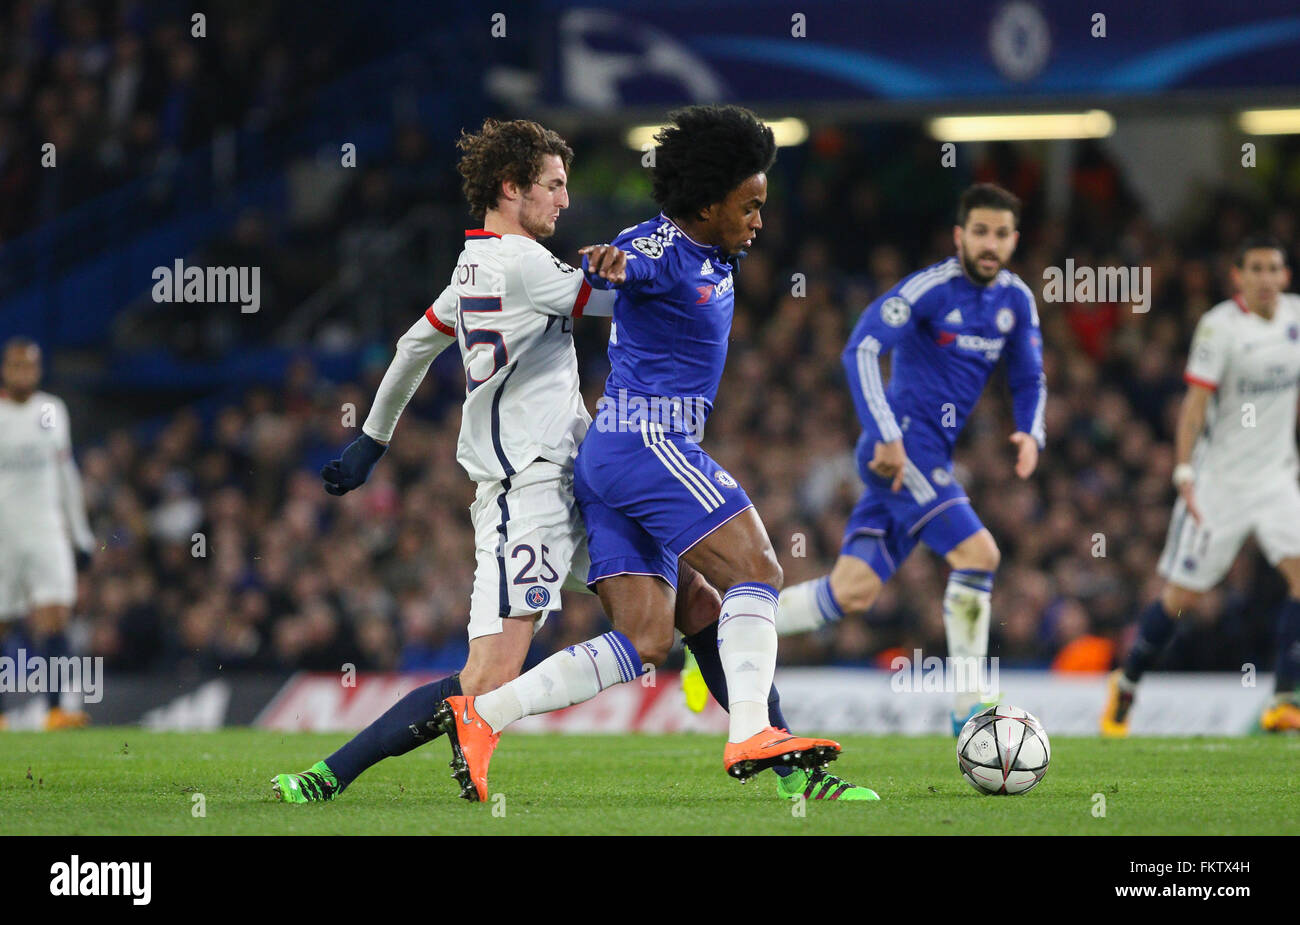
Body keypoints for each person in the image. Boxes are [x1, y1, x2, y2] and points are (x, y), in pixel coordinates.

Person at [440, 105, 877, 804]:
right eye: (749, 206)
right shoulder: (660, 250)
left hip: (613, 460)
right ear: (707, 205)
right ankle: (755, 734)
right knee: (758, 568)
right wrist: (602, 264)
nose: (759, 221)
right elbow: (621, 265)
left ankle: (485, 713)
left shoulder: (712, 252)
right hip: (648, 443)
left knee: (648, 636)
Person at [775, 183, 1046, 735]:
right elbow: (862, 349)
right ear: (959, 236)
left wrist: (1030, 432)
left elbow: (1028, 375)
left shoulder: (1016, 300)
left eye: (1000, 233)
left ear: (1014, 240)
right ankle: (969, 705)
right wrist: (885, 432)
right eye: (980, 232)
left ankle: (722, 630)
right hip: (898, 451)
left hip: (928, 454)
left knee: (851, 591)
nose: (990, 243)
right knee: (979, 553)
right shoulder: (929, 288)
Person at [1102, 235, 1300, 735]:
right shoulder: (1219, 327)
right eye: (1254, 268)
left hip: (1277, 478)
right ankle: (1126, 684)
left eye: (1273, 268)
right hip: (1221, 483)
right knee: (1180, 597)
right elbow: (1194, 405)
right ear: (1238, 276)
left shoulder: (1296, 318)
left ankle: (1285, 699)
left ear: (1285, 276)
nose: (1265, 278)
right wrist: (1184, 469)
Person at [0, 338, 96, 729]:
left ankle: (55, 710)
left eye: (30, 367)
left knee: (55, 616)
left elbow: (66, 473)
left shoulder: (52, 411)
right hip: (3, 533)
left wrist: (81, 534)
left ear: (38, 371)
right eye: (16, 366)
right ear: (5, 369)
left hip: (46, 529)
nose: (23, 373)